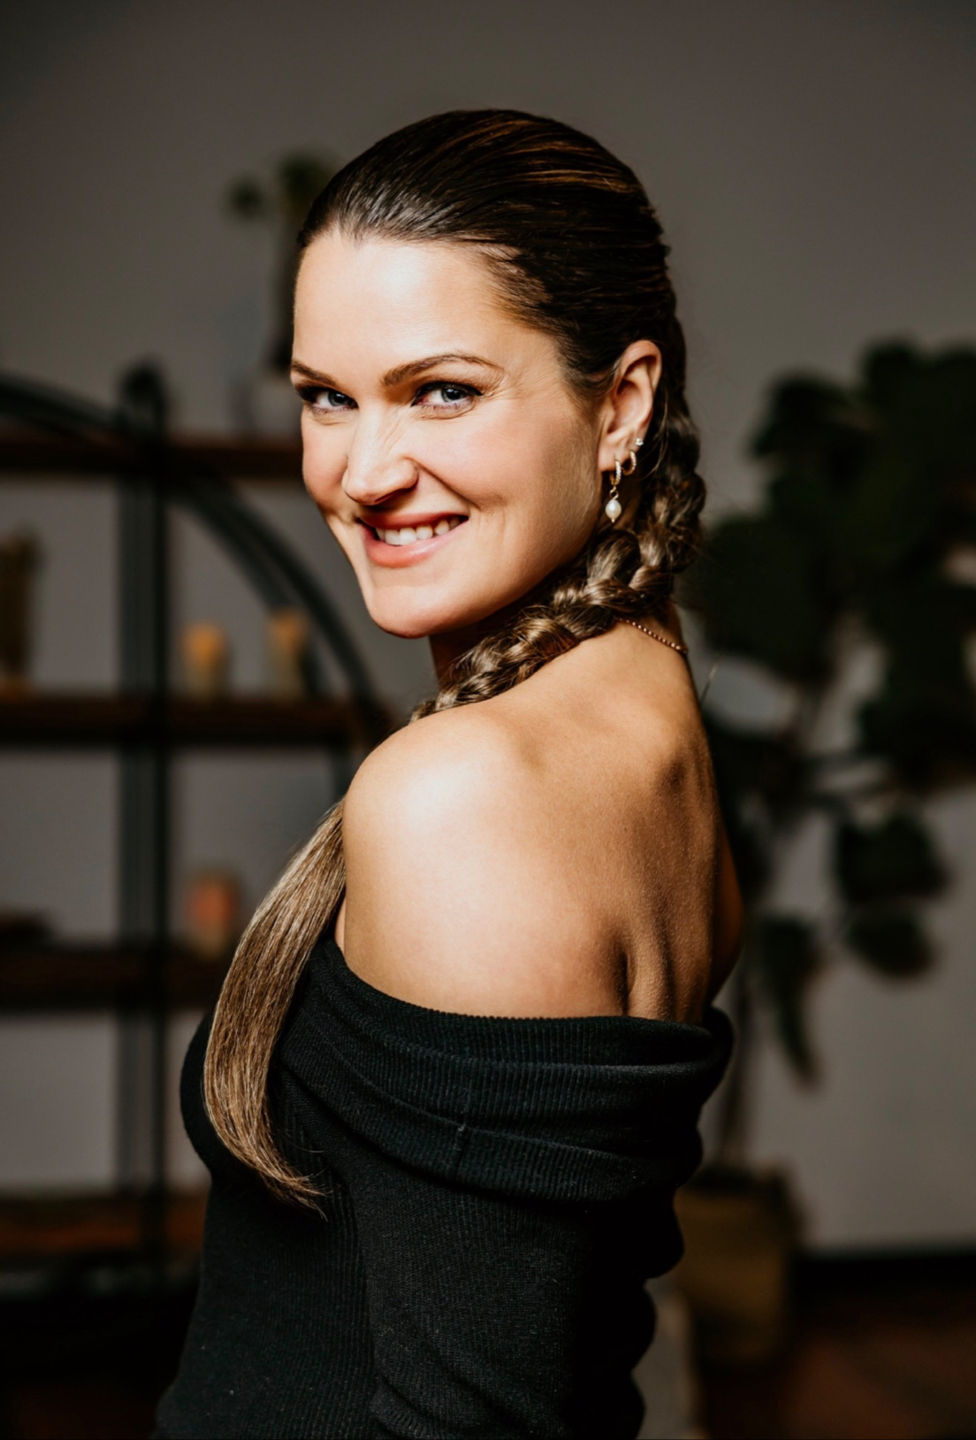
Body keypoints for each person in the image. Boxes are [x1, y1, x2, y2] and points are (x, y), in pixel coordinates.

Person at [155, 109, 741, 1440]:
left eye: (443, 391)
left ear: (622, 403)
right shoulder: (654, 739)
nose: (362, 473)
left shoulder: (465, 795)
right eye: (325, 396)